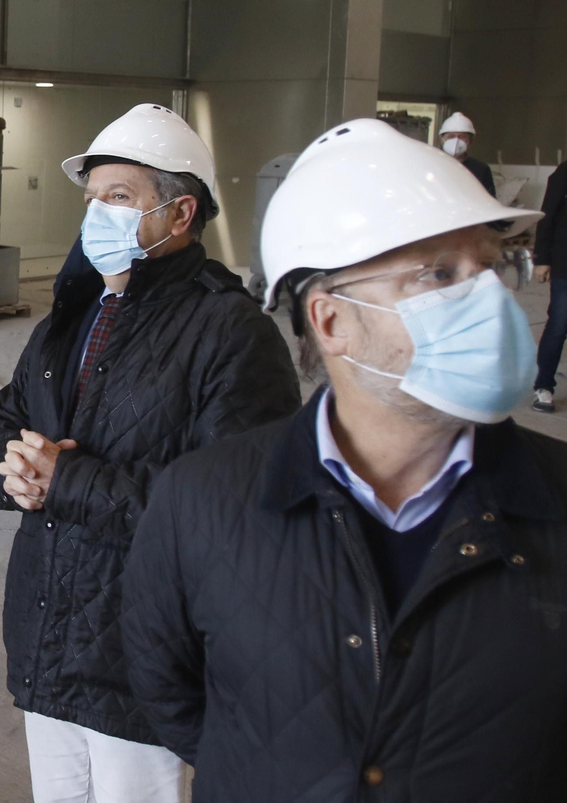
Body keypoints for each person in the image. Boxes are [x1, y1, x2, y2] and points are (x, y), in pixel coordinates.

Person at [123, 119, 564, 802]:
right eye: (440, 274)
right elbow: (170, 689)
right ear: (331, 321)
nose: (492, 299)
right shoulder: (201, 500)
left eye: (493, 266)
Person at [0, 103, 300, 803]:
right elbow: (6, 418)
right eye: (92, 199)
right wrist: (10, 473)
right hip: (44, 628)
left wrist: (68, 482)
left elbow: (238, 509)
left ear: (180, 213)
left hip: (140, 655)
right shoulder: (75, 312)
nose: (97, 214)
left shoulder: (232, 333)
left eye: (119, 197)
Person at [531, 159, 567, 412]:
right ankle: (544, 386)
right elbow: (548, 215)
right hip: (565, 265)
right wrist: (542, 259)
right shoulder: (564, 172)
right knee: (558, 324)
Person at [437, 111, 495, 196]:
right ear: (442, 139)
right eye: (451, 136)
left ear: (470, 140)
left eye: (462, 136)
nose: (456, 141)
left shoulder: (481, 169)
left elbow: (489, 199)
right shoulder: (433, 164)